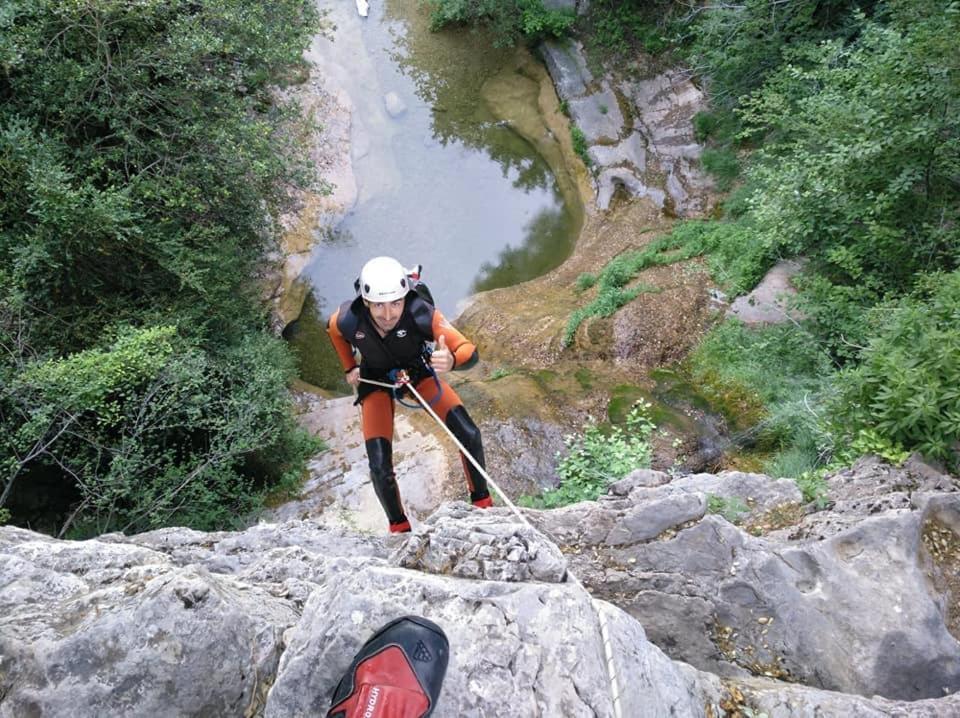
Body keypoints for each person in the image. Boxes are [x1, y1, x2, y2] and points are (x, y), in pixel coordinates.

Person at [327, 256, 492, 533]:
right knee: (379, 466)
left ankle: (483, 503)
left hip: (419, 372)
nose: (388, 314)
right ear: (366, 302)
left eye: (395, 303)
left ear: (405, 298)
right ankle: (399, 528)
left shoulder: (420, 313)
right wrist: (349, 366)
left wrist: (452, 361)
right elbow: (333, 332)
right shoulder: (348, 319)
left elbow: (469, 351)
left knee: (469, 434)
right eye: (379, 305)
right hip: (376, 380)